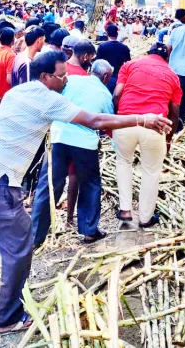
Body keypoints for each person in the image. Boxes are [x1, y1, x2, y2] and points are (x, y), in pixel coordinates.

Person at [0, 51, 171, 336]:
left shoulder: (19, 90)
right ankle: (8, 318)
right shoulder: (48, 99)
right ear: (45, 76)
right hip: (0, 181)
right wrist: (142, 119)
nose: (66, 80)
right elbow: (96, 121)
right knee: (19, 247)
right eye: (62, 76)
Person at [30, 59, 114, 247]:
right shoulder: (104, 93)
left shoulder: (72, 80)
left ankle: (35, 236)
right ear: (106, 76)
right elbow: (108, 122)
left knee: (49, 185)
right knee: (90, 184)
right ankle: (89, 230)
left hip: (59, 137)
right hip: (84, 143)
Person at [112, 43, 181, 228]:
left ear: (147, 52)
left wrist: (118, 119)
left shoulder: (130, 65)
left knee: (123, 162)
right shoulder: (173, 76)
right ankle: (145, 218)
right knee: (151, 172)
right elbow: (175, 114)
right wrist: (168, 140)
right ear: (167, 58)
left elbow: (116, 95)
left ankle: (125, 210)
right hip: (155, 126)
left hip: (126, 120)